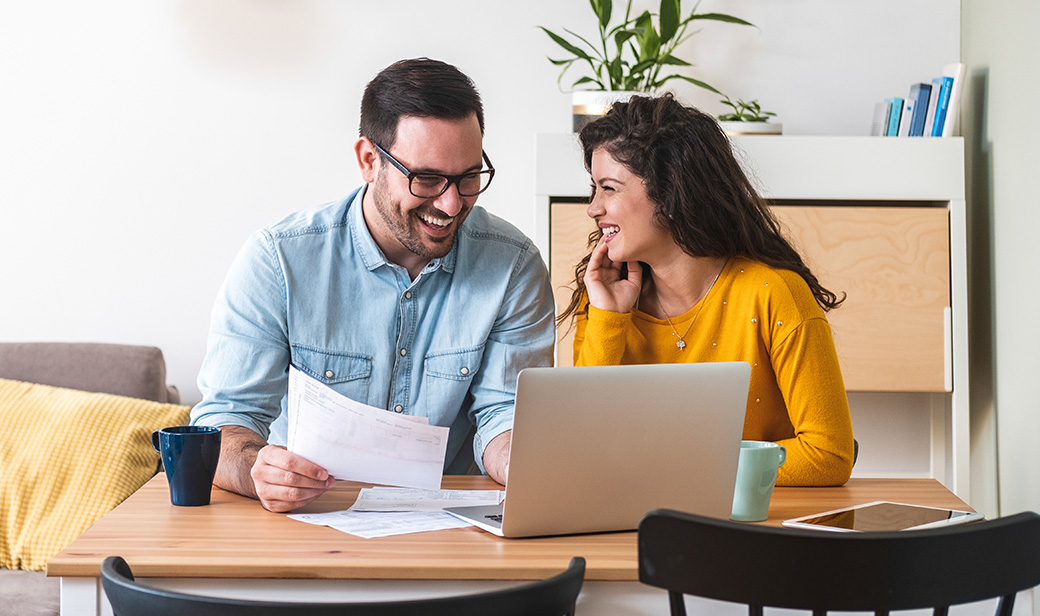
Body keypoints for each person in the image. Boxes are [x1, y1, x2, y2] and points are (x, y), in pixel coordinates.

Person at [191, 58, 555, 512]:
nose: (450, 203)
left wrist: (529, 463)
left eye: (467, 178)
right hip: (304, 523)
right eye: (426, 179)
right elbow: (225, 423)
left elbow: (504, 415)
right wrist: (258, 470)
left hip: (449, 529)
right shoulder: (278, 260)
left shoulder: (513, 264)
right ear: (368, 160)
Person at [558, 93, 854, 486]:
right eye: (594, 189)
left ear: (671, 194)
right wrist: (609, 319)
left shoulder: (773, 293)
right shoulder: (603, 301)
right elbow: (584, 449)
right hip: (634, 521)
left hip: (751, 528)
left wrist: (685, 467)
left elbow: (829, 454)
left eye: (609, 188)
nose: (593, 208)